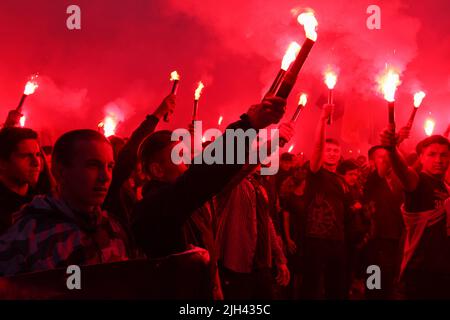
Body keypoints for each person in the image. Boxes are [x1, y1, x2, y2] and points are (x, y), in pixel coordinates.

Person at [132, 96, 287, 298]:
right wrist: (249, 125)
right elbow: (204, 174)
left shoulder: (194, 205)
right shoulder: (153, 209)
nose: (188, 162)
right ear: (157, 170)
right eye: (180, 156)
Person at [0, 130, 130, 276]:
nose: (105, 177)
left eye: (110, 166)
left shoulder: (113, 228)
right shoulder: (25, 238)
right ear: (61, 171)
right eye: (93, 165)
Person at [380, 128, 450, 299]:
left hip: (444, 271)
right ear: (421, 158)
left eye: (444, 155)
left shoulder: (447, 190)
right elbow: (403, 171)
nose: (439, 160)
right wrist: (391, 150)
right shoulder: (417, 183)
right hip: (420, 272)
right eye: (432, 155)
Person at [300, 104, 349, 299]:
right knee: (311, 286)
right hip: (316, 238)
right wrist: (322, 119)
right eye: (328, 150)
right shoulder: (316, 173)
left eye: (336, 151)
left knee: (334, 286)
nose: (332, 153)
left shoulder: (341, 179)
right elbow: (318, 146)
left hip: (337, 239)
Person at [363, 145, 404, 299]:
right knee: (375, 280)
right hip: (377, 239)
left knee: (389, 281)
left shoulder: (396, 180)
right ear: (371, 161)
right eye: (381, 157)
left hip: (395, 237)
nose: (386, 160)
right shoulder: (371, 178)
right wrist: (393, 144)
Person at [0, 127, 42, 235]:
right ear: (3, 163)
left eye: (37, 155)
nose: (36, 163)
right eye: (26, 156)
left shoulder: (43, 198)